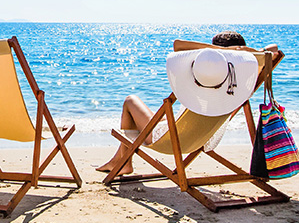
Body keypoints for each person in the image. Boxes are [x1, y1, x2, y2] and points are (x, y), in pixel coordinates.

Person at [96, 31, 270, 175]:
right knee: (157, 119)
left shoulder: (205, 77)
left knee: (130, 100)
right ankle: (119, 161)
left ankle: (123, 162)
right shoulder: (239, 82)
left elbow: (178, 44)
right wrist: (242, 53)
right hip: (205, 137)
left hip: (173, 140)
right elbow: (273, 50)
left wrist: (217, 51)